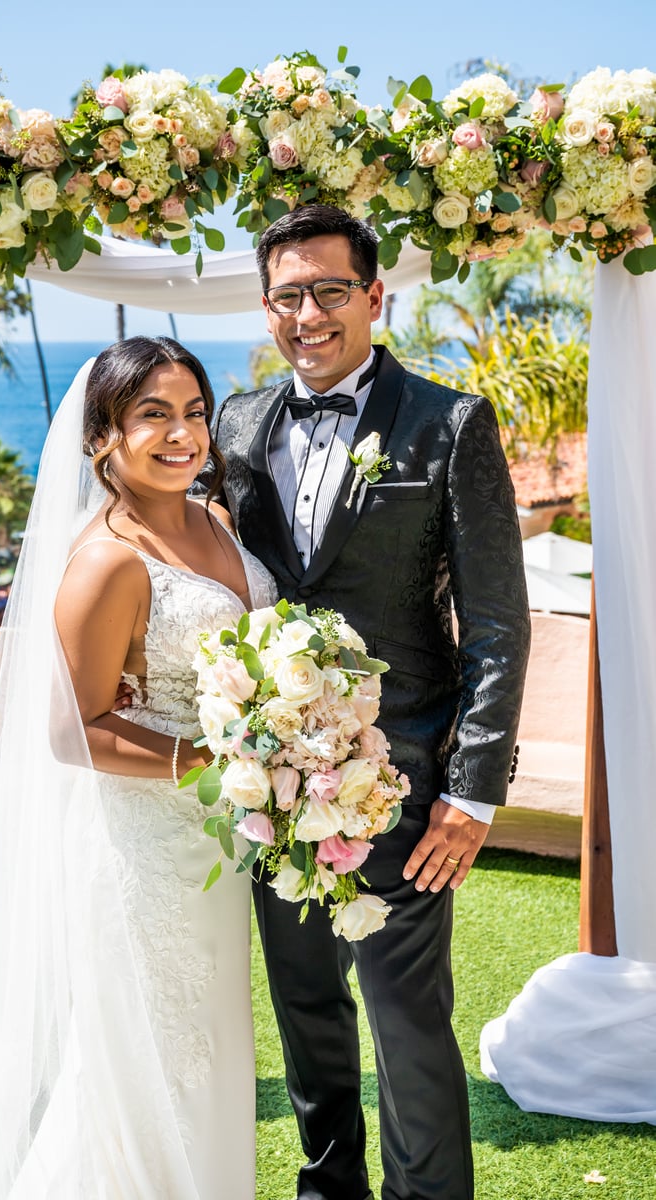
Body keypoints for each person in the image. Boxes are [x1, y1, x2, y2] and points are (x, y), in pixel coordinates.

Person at [0, 337, 275, 1199]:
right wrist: (215, 758)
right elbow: (70, 730)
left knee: (209, 1048)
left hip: (216, 845)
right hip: (144, 856)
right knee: (141, 1069)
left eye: (194, 412)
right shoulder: (106, 561)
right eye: (153, 415)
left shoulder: (215, 518)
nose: (183, 434)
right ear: (101, 438)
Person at [213, 205, 531, 1200]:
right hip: (271, 786)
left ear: (374, 295)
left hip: (406, 784)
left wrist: (472, 794)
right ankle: (328, 1190)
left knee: (407, 1024)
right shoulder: (236, 425)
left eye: (330, 291)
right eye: (287, 296)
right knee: (306, 1013)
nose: (308, 314)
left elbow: (496, 624)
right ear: (266, 307)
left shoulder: (449, 423)